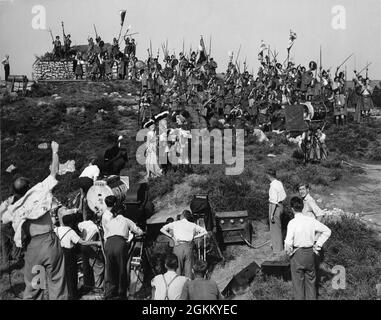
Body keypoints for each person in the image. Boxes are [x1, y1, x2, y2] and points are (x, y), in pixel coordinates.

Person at [2, 141, 68, 300]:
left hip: (32, 246)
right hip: (49, 241)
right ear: (29, 186)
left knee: (34, 286)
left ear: (14, 192)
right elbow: (54, 172)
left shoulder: (13, 208)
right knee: (57, 282)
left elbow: (4, 222)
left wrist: (9, 204)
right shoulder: (39, 189)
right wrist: (55, 152)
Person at [284, 196, 331, 300]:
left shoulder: (292, 223)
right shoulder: (311, 221)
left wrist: (288, 252)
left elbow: (288, 243)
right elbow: (327, 231)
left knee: (298, 283)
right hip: (310, 253)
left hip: (297, 254)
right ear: (302, 207)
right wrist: (317, 245)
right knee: (311, 281)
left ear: (292, 208)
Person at [100, 195, 143, 300]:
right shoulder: (126, 220)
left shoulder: (110, 221)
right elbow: (138, 231)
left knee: (110, 269)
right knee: (121, 269)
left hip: (108, 244)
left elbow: (105, 234)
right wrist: (141, 232)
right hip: (120, 243)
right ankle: (121, 293)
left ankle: (109, 293)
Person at [54, 209, 101, 299]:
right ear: (71, 222)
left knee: (63, 274)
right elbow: (82, 242)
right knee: (71, 275)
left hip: (60, 253)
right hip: (69, 254)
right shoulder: (70, 231)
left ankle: (64, 293)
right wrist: (96, 242)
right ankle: (73, 295)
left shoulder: (57, 229)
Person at [160, 210, 207, 278]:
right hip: (188, 246)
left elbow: (162, 229)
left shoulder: (175, 223)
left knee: (177, 268)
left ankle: (177, 284)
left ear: (182, 216)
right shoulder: (192, 225)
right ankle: (189, 285)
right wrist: (195, 237)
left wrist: (172, 237)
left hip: (178, 246)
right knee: (189, 269)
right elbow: (204, 231)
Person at [0, 176, 29, 266]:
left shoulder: (5, 203)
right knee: (17, 239)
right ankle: (16, 257)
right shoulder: (11, 201)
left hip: (2, 223)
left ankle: (6, 259)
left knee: (5, 242)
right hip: (8, 224)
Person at [266, 168, 287, 255]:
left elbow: (274, 201)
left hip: (275, 206)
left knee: (275, 229)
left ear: (268, 175)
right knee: (278, 228)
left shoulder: (273, 186)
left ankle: (277, 250)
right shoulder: (279, 183)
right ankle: (277, 246)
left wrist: (271, 214)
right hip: (280, 205)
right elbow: (284, 195)